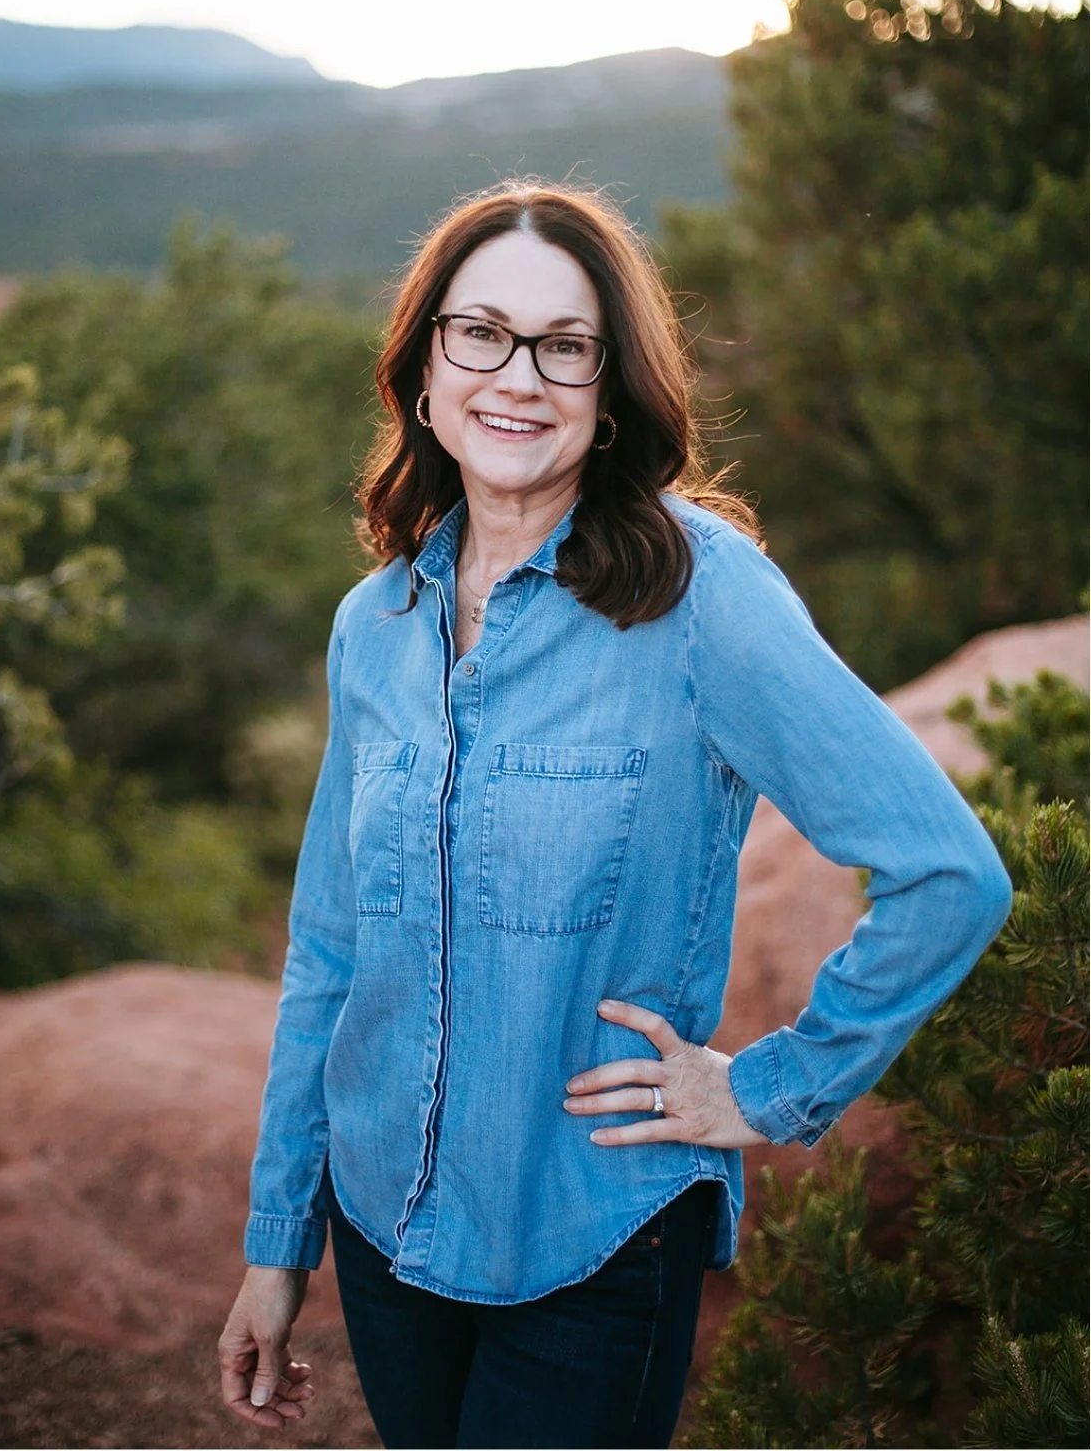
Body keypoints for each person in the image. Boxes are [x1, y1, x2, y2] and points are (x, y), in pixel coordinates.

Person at [216, 182, 1013, 1449]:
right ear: (424, 368)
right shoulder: (375, 625)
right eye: (479, 333)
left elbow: (948, 873)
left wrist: (772, 1089)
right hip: (380, 1224)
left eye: (564, 346)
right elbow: (329, 952)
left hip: (589, 1232)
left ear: (611, 387)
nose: (516, 377)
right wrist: (280, 1242)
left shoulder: (701, 599)